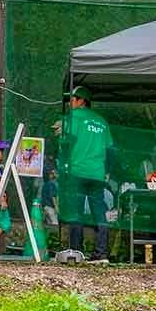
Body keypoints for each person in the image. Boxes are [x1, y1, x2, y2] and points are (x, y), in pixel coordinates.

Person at [54, 87, 112, 261]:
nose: (70, 103)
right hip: (97, 173)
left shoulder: (72, 118)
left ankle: (76, 251)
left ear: (81, 100)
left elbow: (65, 142)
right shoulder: (102, 122)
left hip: (77, 172)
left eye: (72, 99)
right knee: (99, 212)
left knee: (76, 211)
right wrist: (107, 171)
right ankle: (102, 254)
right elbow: (111, 150)